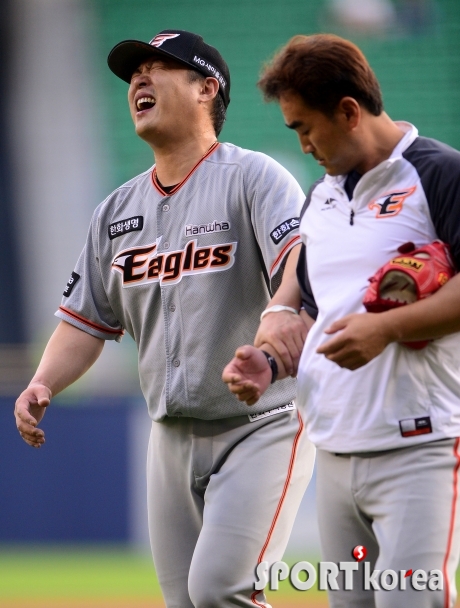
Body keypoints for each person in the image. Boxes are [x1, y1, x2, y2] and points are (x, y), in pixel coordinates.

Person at [14, 29, 315, 608]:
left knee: (221, 591)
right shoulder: (116, 211)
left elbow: (300, 266)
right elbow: (85, 320)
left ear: (208, 88)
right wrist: (42, 381)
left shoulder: (254, 178)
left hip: (263, 422)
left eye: (158, 67)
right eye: (134, 73)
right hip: (169, 437)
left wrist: (279, 324)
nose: (139, 80)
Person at [223, 33, 460, 608]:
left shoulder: (439, 173)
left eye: (304, 126)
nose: (303, 144)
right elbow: (308, 309)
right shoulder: (319, 200)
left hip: (420, 447)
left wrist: (388, 327)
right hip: (334, 451)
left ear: (349, 112)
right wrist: (271, 359)